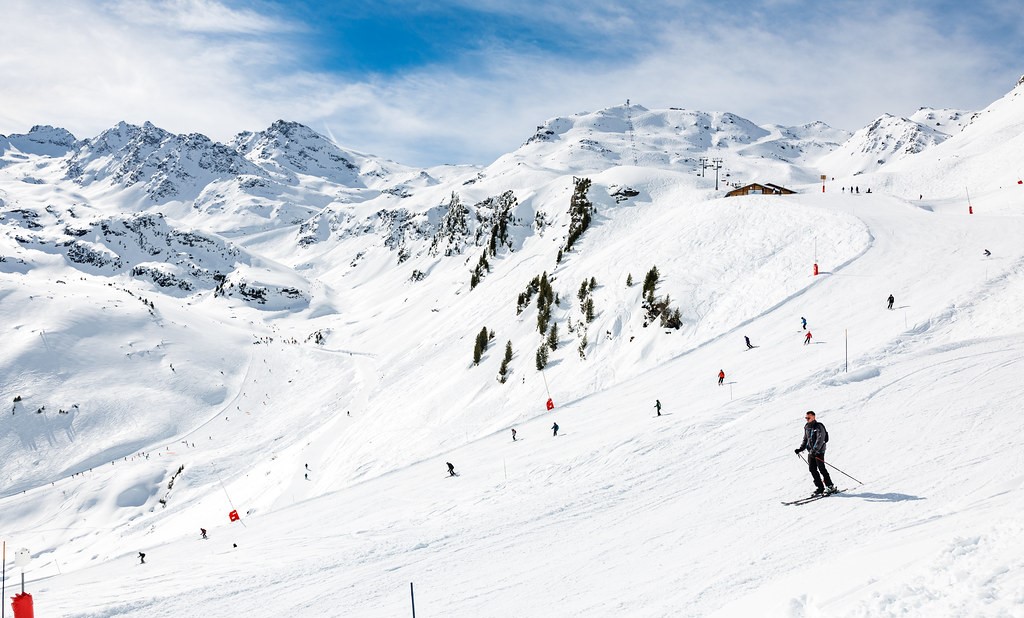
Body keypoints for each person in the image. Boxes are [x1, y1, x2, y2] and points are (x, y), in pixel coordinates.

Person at [794, 411, 836, 495]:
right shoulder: (807, 427)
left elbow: (820, 439)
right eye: (806, 418)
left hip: (819, 451)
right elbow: (806, 439)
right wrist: (801, 448)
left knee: (821, 468)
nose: (807, 419)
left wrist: (815, 450)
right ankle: (820, 487)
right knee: (812, 469)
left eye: (808, 418)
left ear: (813, 417)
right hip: (811, 452)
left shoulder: (819, 426)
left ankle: (830, 486)